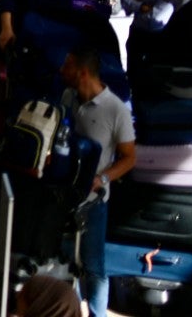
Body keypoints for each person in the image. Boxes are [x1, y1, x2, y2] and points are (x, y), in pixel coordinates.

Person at [62, 43, 136, 317]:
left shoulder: (116, 110)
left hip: (93, 203)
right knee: (63, 261)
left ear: (82, 72)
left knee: (93, 266)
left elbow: (129, 157)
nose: (61, 69)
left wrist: (101, 179)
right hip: (64, 196)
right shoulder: (68, 98)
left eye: (67, 65)